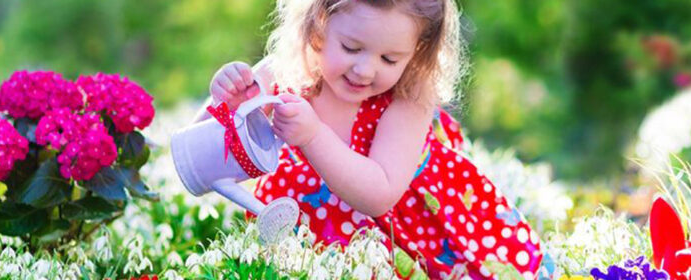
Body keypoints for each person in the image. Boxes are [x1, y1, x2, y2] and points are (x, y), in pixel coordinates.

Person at [194, 0, 541, 278]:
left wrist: (313, 136)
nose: (365, 70)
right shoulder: (284, 69)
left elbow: (379, 194)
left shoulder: (410, 95)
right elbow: (199, 147)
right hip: (311, 252)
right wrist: (228, 101)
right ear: (318, 25)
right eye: (351, 47)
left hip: (418, 246)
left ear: (418, 52)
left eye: (389, 58)